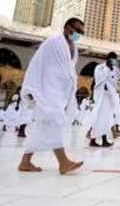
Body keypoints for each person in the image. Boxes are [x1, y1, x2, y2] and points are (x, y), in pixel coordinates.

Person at [17, 17, 84, 175]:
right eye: (77, 30)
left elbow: (69, 69)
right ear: (68, 27)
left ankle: (25, 161)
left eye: (81, 32)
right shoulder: (52, 42)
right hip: (48, 89)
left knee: (43, 126)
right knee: (55, 121)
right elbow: (37, 64)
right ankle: (63, 162)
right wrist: (32, 88)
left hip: (61, 91)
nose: (79, 34)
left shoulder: (73, 48)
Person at [88, 52, 118, 147]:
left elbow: (115, 82)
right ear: (108, 59)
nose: (113, 61)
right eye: (112, 59)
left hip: (108, 96)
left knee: (106, 118)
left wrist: (112, 71)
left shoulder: (114, 69)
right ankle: (99, 140)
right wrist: (107, 69)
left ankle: (97, 140)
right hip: (101, 96)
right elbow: (99, 79)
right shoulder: (100, 67)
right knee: (99, 117)